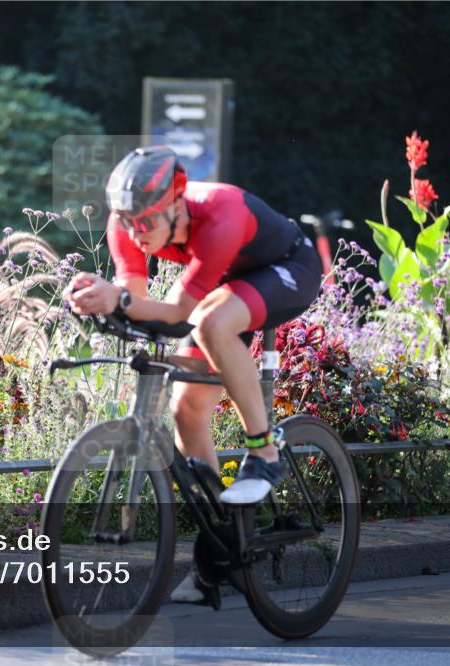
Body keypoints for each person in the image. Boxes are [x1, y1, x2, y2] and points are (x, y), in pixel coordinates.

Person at [63, 146, 323, 603]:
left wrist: (119, 301)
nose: (136, 233)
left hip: (287, 267)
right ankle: (221, 545)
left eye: (146, 222)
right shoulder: (126, 225)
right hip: (227, 281)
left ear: (176, 205)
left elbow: (179, 312)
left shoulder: (219, 215)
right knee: (186, 409)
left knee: (211, 323)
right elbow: (138, 302)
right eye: (127, 221)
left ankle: (265, 451)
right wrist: (97, 299)